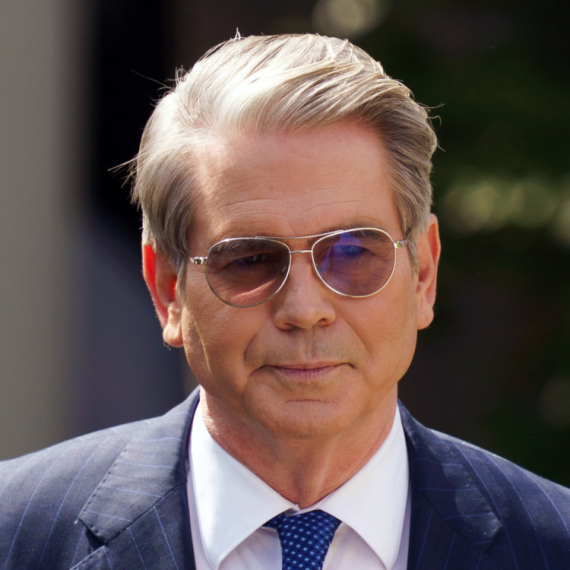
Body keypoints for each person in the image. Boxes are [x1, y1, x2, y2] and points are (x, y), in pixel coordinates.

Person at [1, 34, 569, 570]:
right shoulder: (15, 535)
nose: (304, 309)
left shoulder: (552, 545)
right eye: (250, 259)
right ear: (169, 289)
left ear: (422, 273)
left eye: (351, 252)